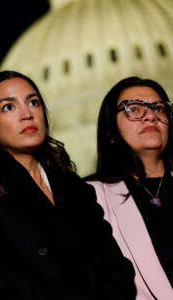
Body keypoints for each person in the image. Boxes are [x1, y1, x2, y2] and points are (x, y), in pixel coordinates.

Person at [0, 70, 136, 299]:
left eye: (33, 102)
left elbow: (115, 265)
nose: (27, 114)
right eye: (8, 107)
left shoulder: (73, 185)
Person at [86, 76, 173, 299]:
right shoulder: (89, 196)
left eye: (159, 108)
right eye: (133, 109)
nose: (151, 116)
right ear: (110, 132)